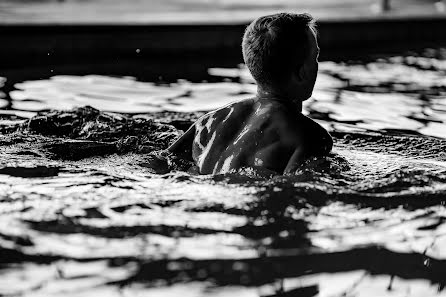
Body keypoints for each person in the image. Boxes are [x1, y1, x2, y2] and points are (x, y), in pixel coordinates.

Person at [168, 12, 332, 175]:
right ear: (302, 72)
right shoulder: (310, 137)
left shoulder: (208, 123)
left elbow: (162, 161)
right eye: (315, 57)